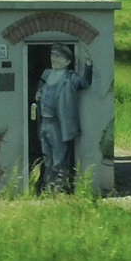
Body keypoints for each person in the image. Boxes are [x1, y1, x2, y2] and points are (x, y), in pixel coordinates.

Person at [35, 43, 92, 191]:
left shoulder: (70, 77)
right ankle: (48, 186)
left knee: (59, 158)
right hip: (44, 121)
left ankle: (59, 187)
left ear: (67, 61)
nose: (54, 59)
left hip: (59, 123)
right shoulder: (47, 74)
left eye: (58, 56)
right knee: (47, 156)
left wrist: (88, 64)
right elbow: (41, 87)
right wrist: (39, 94)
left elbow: (85, 83)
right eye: (52, 55)